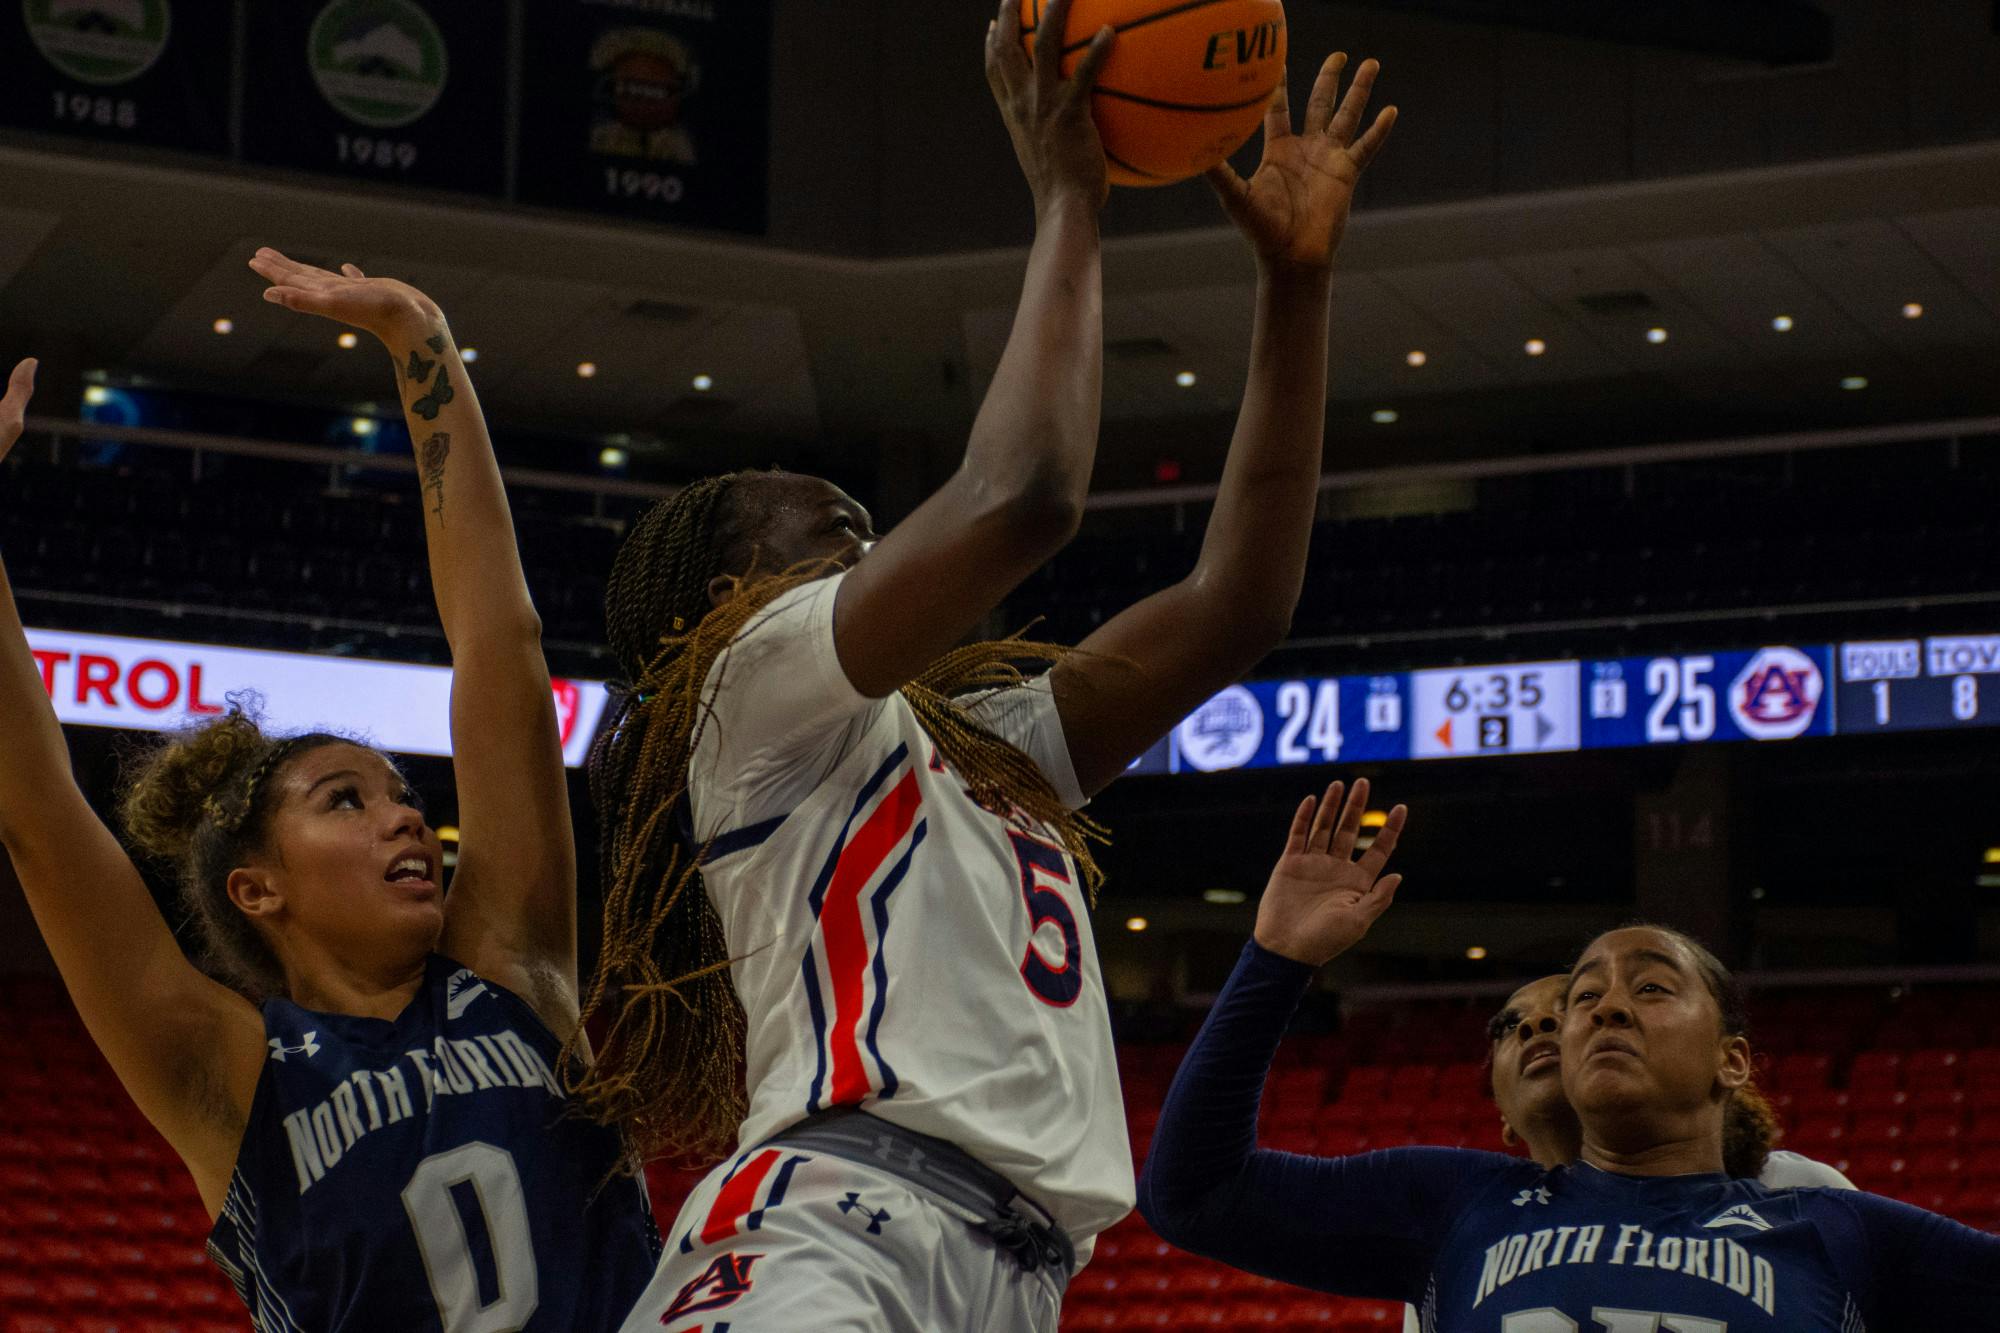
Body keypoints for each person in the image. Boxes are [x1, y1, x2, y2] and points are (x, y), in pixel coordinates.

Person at [580, 3, 1398, 1328]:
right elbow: (1020, 493)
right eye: (830, 536)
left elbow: (1238, 606)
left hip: (1006, 1272)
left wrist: (1294, 293)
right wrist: (1069, 199)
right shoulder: (744, 690)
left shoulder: (983, 744)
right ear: (731, 598)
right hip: (827, 1229)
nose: (870, 549)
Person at [0, 250, 660, 1331]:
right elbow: (36, 814)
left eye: (400, 791)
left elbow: (501, 642)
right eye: (347, 800)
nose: (408, 813)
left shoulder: (515, 968)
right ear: (258, 888)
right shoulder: (229, 1071)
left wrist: (424, 346)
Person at [1140, 778, 2000, 1331]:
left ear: (1732, 1060)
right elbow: (1195, 1193)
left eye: (1652, 987)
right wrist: (1276, 961)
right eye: (1584, 993)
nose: (1603, 1007)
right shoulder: (1460, 1201)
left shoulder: (1830, 1222)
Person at [1394, 974, 1855, 1330]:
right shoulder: (1455, 1239)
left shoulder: (1799, 1194)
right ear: (1504, 1119)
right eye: (1509, 1025)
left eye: (1572, 1005)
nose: (1536, 1025)